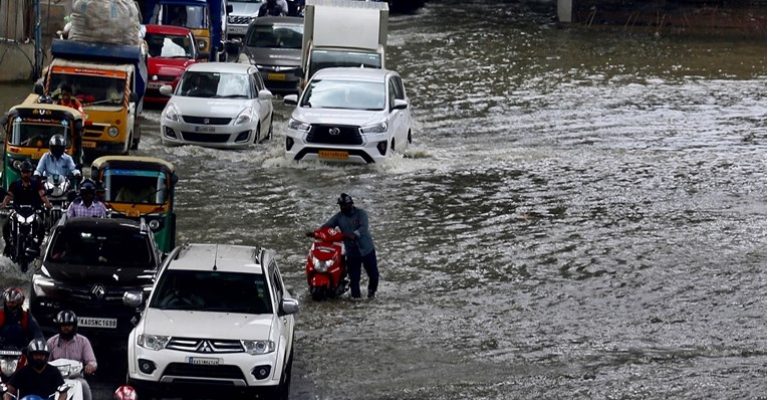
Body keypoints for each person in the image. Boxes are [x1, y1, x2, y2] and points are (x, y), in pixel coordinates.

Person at [309, 193, 379, 299]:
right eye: (340, 206)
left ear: (350, 204)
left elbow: (364, 227)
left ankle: (371, 292)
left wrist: (354, 234)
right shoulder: (339, 217)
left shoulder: (361, 214)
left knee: (373, 275)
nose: (342, 208)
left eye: (344, 205)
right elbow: (326, 226)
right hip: (352, 253)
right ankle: (357, 300)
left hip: (367, 250)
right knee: (354, 279)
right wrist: (316, 233)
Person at [1, 160, 52, 256]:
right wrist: (4, 203)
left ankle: (38, 246)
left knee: (41, 225)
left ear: (31, 172)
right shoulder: (14, 184)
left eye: (27, 172)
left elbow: (42, 195)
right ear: (21, 172)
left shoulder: (37, 184)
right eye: (24, 172)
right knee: (6, 224)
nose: (26, 174)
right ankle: (8, 245)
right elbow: (9, 196)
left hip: (33, 211)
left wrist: (48, 203)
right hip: (18, 210)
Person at [47, 310, 96, 400]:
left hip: (76, 378)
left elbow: (92, 361)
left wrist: (90, 366)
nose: (66, 328)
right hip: (55, 378)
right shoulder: (51, 342)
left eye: (69, 325)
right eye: (63, 325)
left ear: (74, 326)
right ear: (59, 326)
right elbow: (45, 362)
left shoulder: (83, 341)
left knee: (84, 386)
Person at [3, 339, 67, 400]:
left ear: (46, 356)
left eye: (41, 355)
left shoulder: (54, 372)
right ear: (30, 355)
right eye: (36, 355)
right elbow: (9, 390)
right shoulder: (22, 372)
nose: (39, 357)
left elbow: (63, 392)